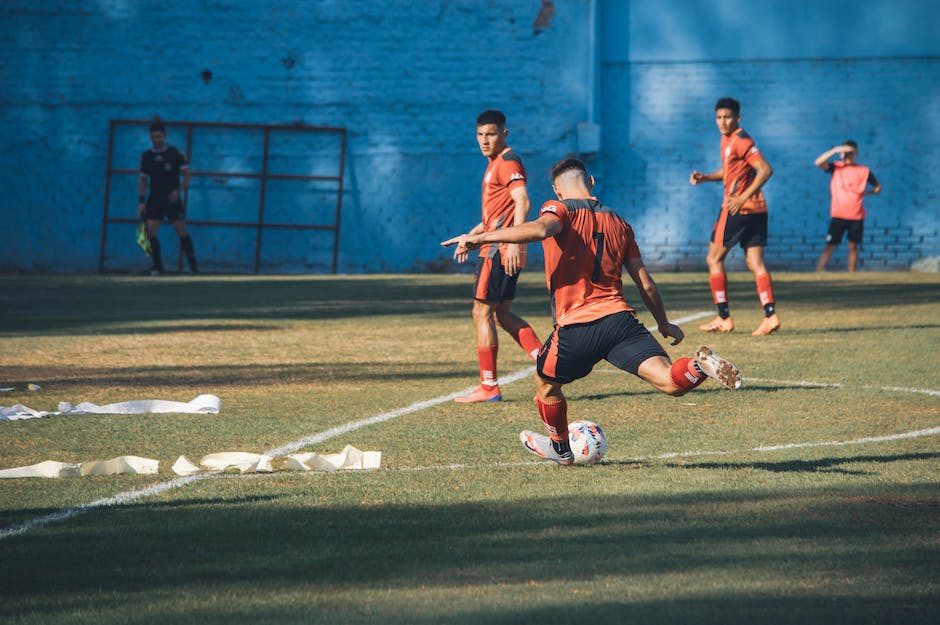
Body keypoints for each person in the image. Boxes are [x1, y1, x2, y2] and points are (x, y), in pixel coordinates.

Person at [443, 157, 742, 465]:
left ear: (557, 191)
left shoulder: (559, 209)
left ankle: (561, 450)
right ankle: (699, 366)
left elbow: (539, 229)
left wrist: (479, 237)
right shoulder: (620, 222)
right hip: (620, 322)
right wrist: (664, 324)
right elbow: (646, 284)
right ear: (592, 183)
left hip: (577, 326)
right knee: (670, 381)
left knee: (545, 387)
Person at [447, 110, 543, 403]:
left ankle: (489, 387)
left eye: (490, 134)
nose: (484, 140)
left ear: (504, 134)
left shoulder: (507, 162)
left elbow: (523, 201)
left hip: (500, 251)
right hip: (497, 245)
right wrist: (471, 236)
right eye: (480, 135)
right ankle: (547, 361)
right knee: (501, 313)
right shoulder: (495, 164)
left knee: (482, 312)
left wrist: (515, 242)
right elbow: (496, 216)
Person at [690, 97, 780, 336]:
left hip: (737, 209)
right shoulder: (726, 139)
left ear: (737, 118)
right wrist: (706, 177)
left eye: (727, 117)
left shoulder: (741, 140)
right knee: (755, 263)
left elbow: (765, 169)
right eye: (719, 117)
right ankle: (770, 316)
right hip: (757, 210)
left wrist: (741, 198)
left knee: (713, 259)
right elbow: (731, 173)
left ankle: (723, 317)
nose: (722, 121)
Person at [138, 121, 198, 275]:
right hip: (155, 200)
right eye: (153, 137)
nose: (156, 139)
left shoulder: (175, 153)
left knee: (181, 231)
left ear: (165, 136)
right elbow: (143, 179)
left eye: (159, 136)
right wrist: (141, 200)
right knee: (149, 232)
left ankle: (194, 268)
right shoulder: (146, 156)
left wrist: (178, 191)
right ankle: (158, 267)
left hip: (172, 200)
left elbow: (187, 176)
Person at [813, 141, 882, 272]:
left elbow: (878, 187)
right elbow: (818, 162)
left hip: (856, 215)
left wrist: (865, 194)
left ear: (856, 153)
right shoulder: (836, 167)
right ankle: (818, 272)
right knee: (829, 245)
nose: (848, 156)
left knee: (853, 246)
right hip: (838, 215)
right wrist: (835, 150)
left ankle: (851, 274)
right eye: (845, 153)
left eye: (851, 153)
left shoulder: (864, 171)